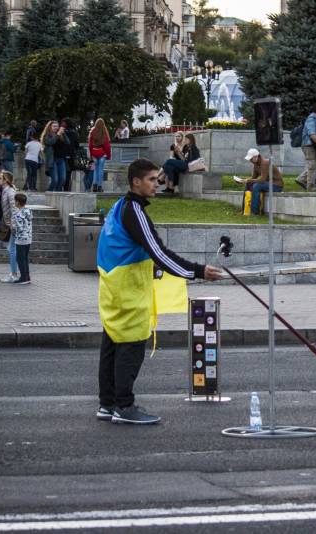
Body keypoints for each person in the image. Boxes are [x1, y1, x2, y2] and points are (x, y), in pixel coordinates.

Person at [95, 158, 225, 424]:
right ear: (136, 182)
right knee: (130, 348)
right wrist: (198, 271)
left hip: (112, 289)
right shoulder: (135, 212)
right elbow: (158, 253)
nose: (158, 183)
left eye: (158, 179)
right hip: (129, 293)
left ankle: (107, 404)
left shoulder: (120, 207)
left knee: (111, 346)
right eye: (153, 179)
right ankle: (124, 406)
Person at [243, 148, 283, 215]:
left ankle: (255, 212)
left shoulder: (265, 163)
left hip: (276, 186)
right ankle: (245, 209)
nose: (250, 160)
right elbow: (253, 178)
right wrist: (243, 181)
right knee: (248, 184)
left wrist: (248, 180)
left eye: (251, 159)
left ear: (256, 157)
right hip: (267, 184)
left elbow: (262, 180)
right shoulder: (256, 165)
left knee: (257, 186)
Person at [0, 171, 19, 283]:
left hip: (12, 225)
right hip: (9, 223)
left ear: (6, 180)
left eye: (1, 178)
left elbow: (14, 209)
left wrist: (13, 225)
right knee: (11, 249)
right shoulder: (5, 190)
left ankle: (14, 274)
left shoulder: (10, 192)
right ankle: (14, 273)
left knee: (12, 249)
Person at [41, 121, 68, 191]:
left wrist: (63, 133)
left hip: (61, 160)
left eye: (57, 126)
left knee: (62, 179)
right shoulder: (47, 136)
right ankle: (49, 194)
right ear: (50, 127)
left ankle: (57, 195)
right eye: (54, 126)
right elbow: (50, 142)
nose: (56, 128)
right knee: (55, 180)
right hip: (52, 160)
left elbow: (68, 142)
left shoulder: (60, 135)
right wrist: (58, 134)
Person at [13, 193, 32, 285]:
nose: (14, 202)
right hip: (28, 238)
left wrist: (13, 227)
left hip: (21, 239)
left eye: (15, 201)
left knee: (20, 258)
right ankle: (27, 276)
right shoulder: (28, 211)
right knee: (25, 258)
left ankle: (24, 277)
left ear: (18, 202)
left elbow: (19, 227)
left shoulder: (18, 214)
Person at [88, 118, 111, 193]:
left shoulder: (92, 132)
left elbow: (90, 145)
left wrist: (91, 155)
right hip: (102, 154)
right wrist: (108, 155)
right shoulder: (104, 132)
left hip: (94, 153)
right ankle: (99, 187)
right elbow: (107, 146)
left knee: (95, 170)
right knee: (101, 170)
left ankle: (94, 186)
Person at [61, 119, 80, 191]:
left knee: (63, 172)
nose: (62, 124)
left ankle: (62, 187)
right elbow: (77, 145)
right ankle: (66, 188)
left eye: (63, 123)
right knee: (68, 173)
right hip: (71, 155)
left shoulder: (62, 132)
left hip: (63, 154)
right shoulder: (74, 132)